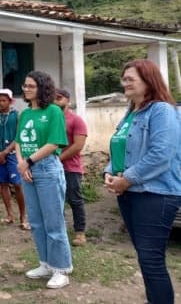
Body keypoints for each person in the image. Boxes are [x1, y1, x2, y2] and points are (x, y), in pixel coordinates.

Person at [104, 59, 181, 304]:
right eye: (123, 79)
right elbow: (120, 147)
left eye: (130, 79)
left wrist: (126, 179)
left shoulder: (162, 110)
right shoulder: (131, 111)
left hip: (156, 194)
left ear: (148, 81)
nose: (124, 83)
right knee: (145, 257)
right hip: (131, 193)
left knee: (151, 260)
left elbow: (161, 154)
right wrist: (109, 171)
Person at [15, 70, 71, 289]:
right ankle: (45, 263)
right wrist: (22, 163)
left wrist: (28, 161)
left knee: (53, 222)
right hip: (27, 170)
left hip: (47, 169)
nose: (26, 89)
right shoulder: (25, 114)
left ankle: (61, 269)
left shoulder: (54, 111)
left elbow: (55, 143)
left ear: (42, 88)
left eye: (31, 86)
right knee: (36, 222)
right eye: (25, 85)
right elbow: (18, 140)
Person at [0, 88, 29, 230]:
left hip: (12, 155)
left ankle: (23, 216)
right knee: (3, 184)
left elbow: (18, 138)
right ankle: (9, 215)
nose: (1, 103)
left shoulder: (17, 116)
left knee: (17, 184)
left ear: (10, 101)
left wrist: (5, 152)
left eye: (4, 100)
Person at [54, 88, 88, 246]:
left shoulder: (76, 120)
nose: (56, 101)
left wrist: (58, 159)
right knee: (55, 201)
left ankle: (80, 233)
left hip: (70, 167)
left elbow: (78, 146)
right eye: (53, 98)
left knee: (75, 200)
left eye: (59, 98)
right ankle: (58, 231)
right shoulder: (51, 119)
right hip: (52, 168)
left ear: (67, 100)